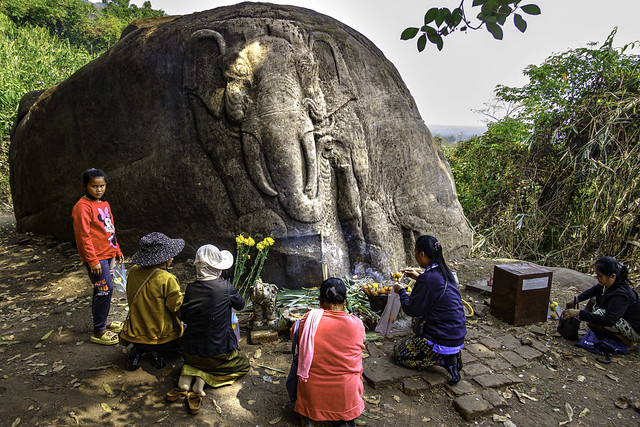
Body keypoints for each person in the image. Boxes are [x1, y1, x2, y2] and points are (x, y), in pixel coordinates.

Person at [165, 244, 250, 415]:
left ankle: (188, 375)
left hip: (190, 351)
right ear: (215, 268)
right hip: (219, 353)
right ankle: (204, 378)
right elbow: (241, 305)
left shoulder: (191, 288)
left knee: (195, 361)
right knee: (243, 365)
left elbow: (185, 316)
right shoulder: (225, 287)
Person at [393, 235, 467, 385]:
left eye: (415, 252)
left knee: (399, 354)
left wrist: (401, 291)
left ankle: (443, 361)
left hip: (443, 337)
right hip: (457, 334)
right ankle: (452, 354)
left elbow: (410, 309)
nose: (415, 255)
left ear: (421, 254)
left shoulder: (427, 279)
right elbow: (434, 285)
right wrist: (419, 277)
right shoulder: (445, 272)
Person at [292, 278, 365, 426]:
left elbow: (294, 334)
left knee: (299, 358)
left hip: (313, 401)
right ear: (345, 301)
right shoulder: (357, 325)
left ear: (320, 301)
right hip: (346, 400)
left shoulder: (307, 322)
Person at [72, 168, 124, 345]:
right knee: (104, 289)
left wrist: (117, 250)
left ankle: (102, 322)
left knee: (102, 290)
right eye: (94, 186)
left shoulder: (104, 204)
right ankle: (99, 330)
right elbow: (83, 236)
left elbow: (110, 229)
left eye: (102, 186)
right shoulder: (82, 207)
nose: (99, 189)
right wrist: (92, 260)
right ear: (85, 186)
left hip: (108, 254)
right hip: (96, 258)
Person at [119, 232, 185, 371]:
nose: (172, 257)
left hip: (134, 335)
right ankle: (158, 353)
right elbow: (177, 309)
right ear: (163, 258)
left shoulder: (133, 271)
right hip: (162, 338)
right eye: (170, 254)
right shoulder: (167, 279)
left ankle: (137, 352)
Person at [562, 256, 640, 345]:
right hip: (621, 317)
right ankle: (596, 326)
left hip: (635, 330)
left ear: (612, 276)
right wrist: (576, 299)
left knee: (599, 314)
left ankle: (626, 341)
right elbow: (595, 290)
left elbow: (609, 320)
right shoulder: (611, 282)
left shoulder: (620, 294)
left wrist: (580, 313)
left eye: (600, 276)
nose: (597, 277)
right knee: (594, 300)